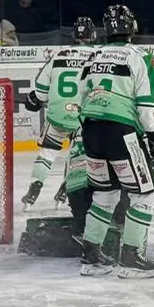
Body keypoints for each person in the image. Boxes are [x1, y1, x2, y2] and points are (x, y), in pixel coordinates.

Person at [76, 4, 154, 278]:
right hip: (121, 132)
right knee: (144, 194)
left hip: (90, 132)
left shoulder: (93, 57)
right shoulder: (141, 57)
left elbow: (81, 95)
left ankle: (90, 258)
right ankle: (131, 258)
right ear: (132, 26)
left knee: (104, 194)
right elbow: (148, 106)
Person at [20, 16, 97, 207]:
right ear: (93, 34)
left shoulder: (59, 55)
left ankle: (34, 190)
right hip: (82, 118)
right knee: (77, 155)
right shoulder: (98, 56)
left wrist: (34, 100)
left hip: (57, 116)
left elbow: (40, 91)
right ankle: (65, 189)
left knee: (47, 153)